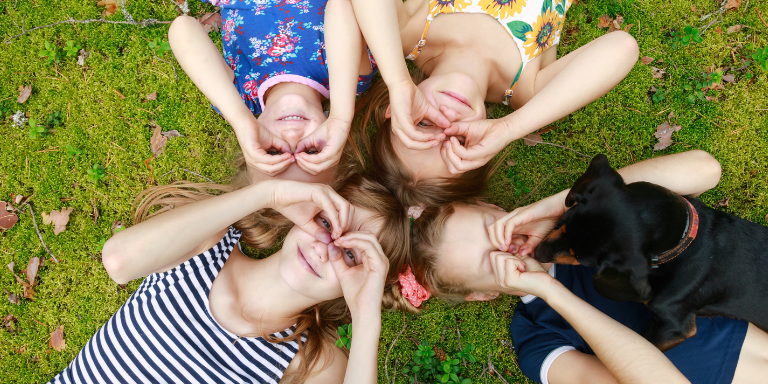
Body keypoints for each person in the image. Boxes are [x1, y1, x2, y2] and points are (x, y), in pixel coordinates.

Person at [400, 151, 768, 383]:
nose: (507, 246)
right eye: (489, 259)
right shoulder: (536, 339)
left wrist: (551, 208)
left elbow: (703, 169)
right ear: (484, 293)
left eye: (492, 229)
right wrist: (551, 292)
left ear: (497, 209)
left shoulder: (590, 221)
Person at [47, 170, 410, 384]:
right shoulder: (210, 244)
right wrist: (266, 193)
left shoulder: (315, 362)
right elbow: (118, 260)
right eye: (327, 222)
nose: (325, 248)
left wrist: (366, 318)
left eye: (350, 254)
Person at [348, 0, 639, 205]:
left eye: (425, 122)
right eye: (459, 139)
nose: (447, 117)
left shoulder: (408, 36)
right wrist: (509, 128)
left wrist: (398, 82)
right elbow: (621, 48)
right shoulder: (528, 89)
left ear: (394, 111)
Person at [169, 0, 378, 183]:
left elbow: (183, 29)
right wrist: (341, 117)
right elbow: (344, 6)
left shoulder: (241, 100)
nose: (292, 134)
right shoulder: (347, 81)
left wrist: (241, 121)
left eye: (274, 149)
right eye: (311, 149)